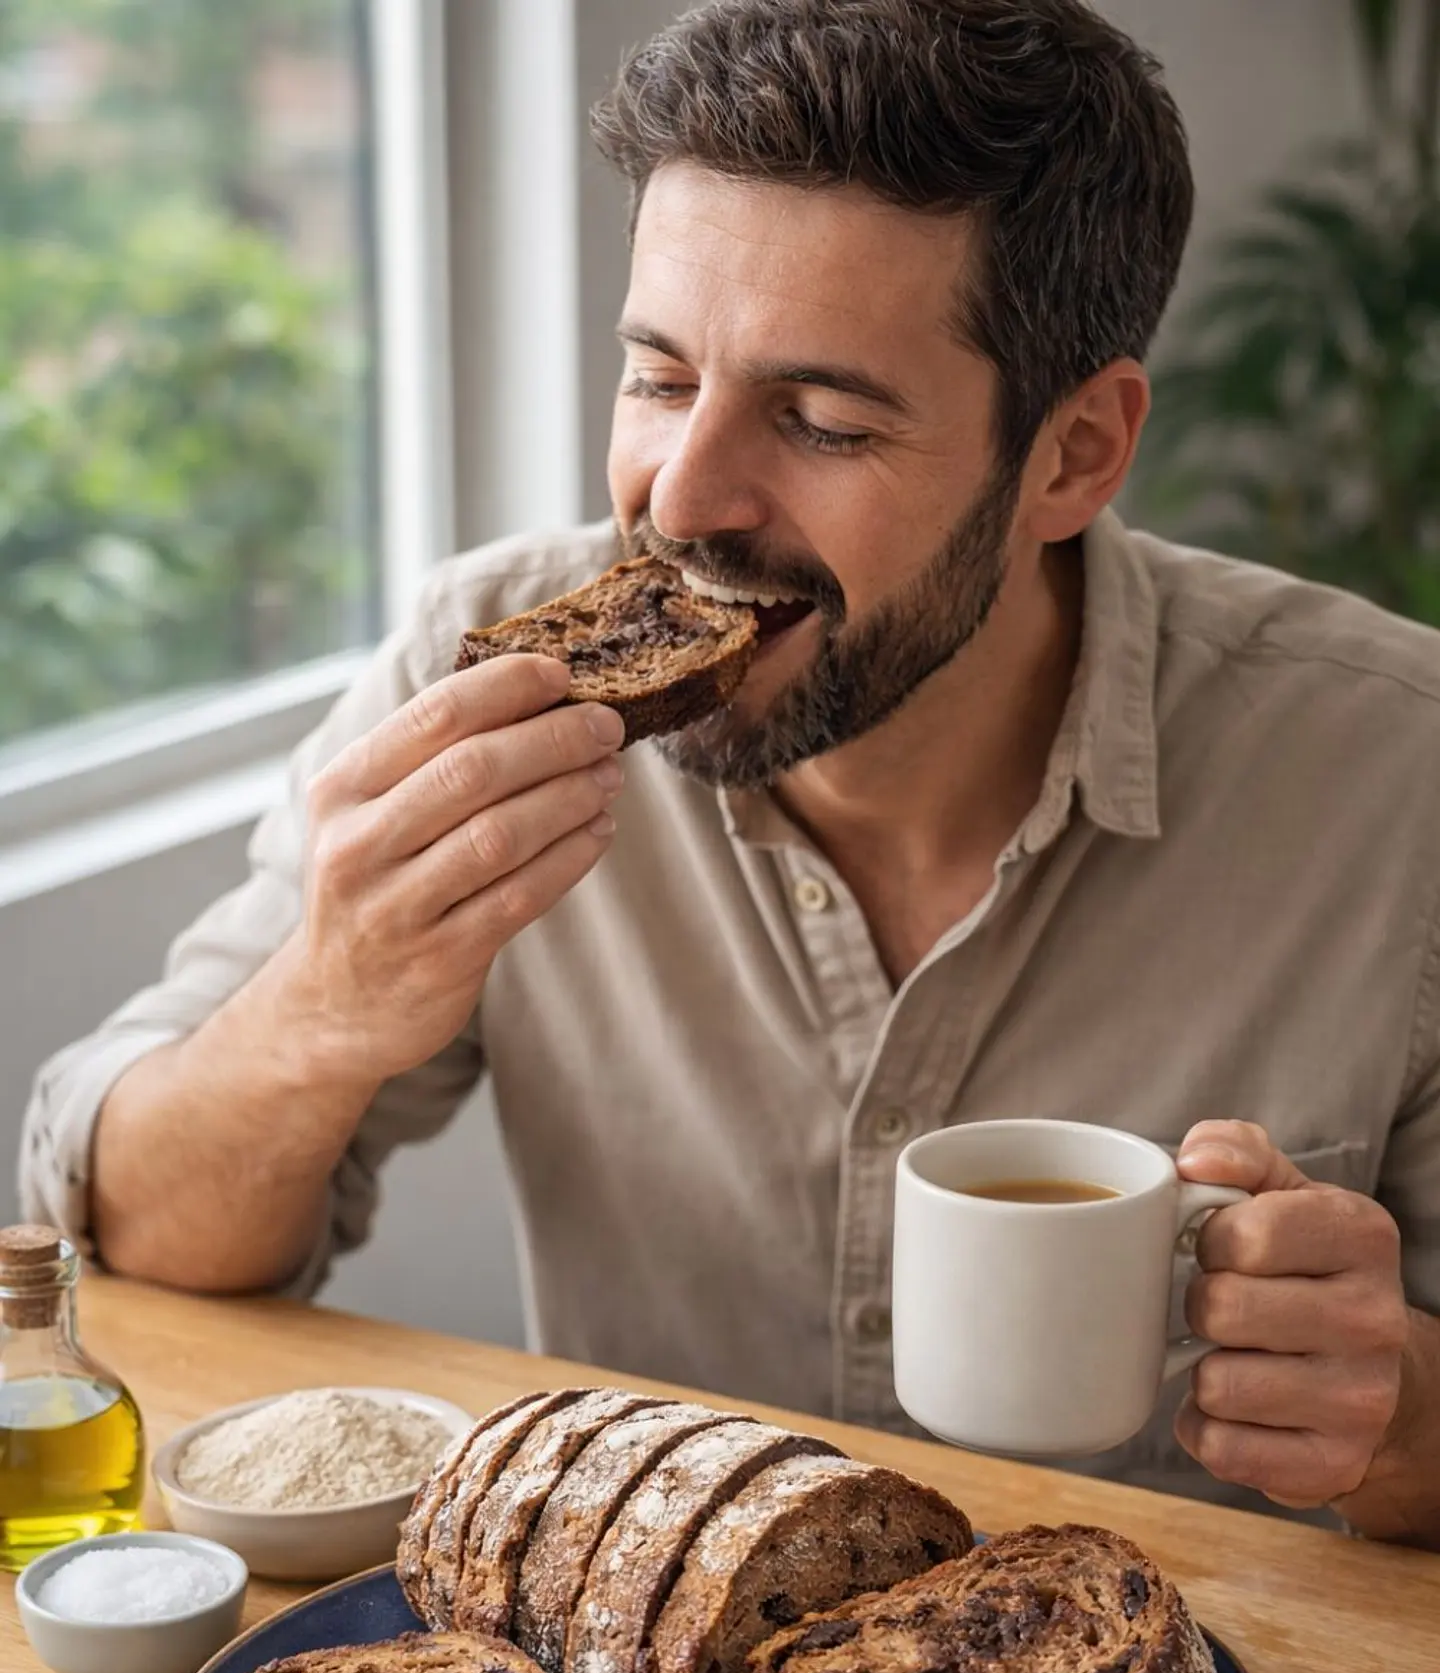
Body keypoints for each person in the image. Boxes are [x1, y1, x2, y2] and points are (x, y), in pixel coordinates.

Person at [20, 0, 1440, 1547]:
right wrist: (323, 1005)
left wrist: (1401, 1417)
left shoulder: (1395, 781)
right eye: (654, 378)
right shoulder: (474, 671)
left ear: (1076, 453)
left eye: (822, 421)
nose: (680, 498)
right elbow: (135, 1257)